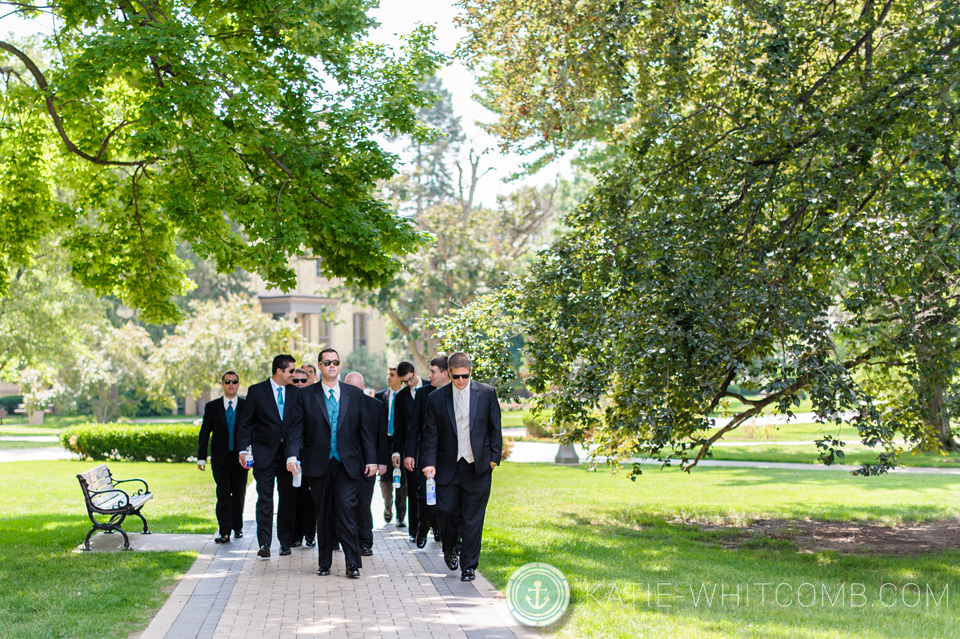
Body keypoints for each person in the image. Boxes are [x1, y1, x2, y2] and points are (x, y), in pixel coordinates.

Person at [285, 349, 378, 578]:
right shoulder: (306, 395)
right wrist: (292, 456)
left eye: (335, 362)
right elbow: (297, 428)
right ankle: (324, 562)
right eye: (327, 362)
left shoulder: (354, 394)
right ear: (320, 366)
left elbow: (364, 430)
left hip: (347, 463)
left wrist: (372, 459)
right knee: (323, 513)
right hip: (318, 463)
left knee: (346, 509)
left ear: (339, 364)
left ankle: (353, 563)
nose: (332, 366)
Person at [421, 352, 502, 582]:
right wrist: (429, 463)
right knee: (445, 511)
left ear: (471, 372)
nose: (460, 381)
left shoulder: (486, 393)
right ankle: (449, 547)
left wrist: (493, 461)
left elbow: (495, 429)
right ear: (449, 373)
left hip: (478, 468)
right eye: (456, 377)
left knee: (473, 518)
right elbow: (430, 435)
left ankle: (469, 566)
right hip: (448, 467)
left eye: (464, 376)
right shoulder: (437, 398)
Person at [236, 354, 300, 558]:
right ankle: (264, 543)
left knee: (287, 499)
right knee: (265, 499)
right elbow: (245, 424)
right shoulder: (256, 391)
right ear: (279, 371)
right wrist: (243, 450)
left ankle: (285, 542)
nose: (294, 375)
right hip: (264, 454)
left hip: (289, 456)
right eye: (291, 371)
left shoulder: (296, 393)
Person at [403, 356, 449, 548]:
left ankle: (438, 528)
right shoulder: (423, 394)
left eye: (432, 371)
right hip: (425, 452)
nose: (428, 375)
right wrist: (409, 453)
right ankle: (423, 529)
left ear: (445, 373)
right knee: (424, 494)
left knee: (444, 494)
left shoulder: (455, 392)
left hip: (447, 455)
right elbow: (414, 426)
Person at [197, 371, 248, 543]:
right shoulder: (212, 407)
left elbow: (252, 431)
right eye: (227, 382)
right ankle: (224, 531)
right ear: (222, 384)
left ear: (238, 384)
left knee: (239, 494)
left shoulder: (246, 405)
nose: (231, 384)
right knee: (223, 494)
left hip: (240, 459)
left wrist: (251, 452)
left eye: (234, 381)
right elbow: (204, 434)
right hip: (220, 460)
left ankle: (238, 527)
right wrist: (201, 458)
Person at [344, 372, 388, 556]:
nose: (354, 391)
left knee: (363, 503)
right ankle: (344, 539)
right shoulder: (340, 404)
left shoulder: (376, 406)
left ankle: (365, 542)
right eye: (350, 387)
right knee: (345, 503)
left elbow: (382, 436)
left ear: (363, 387)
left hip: (367, 463)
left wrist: (382, 462)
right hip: (344, 462)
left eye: (357, 387)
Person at [390, 360, 423, 538]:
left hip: (429, 447)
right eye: (404, 381)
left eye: (410, 379)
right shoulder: (401, 397)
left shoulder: (431, 389)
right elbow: (398, 426)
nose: (408, 383)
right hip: (410, 450)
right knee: (412, 489)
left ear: (415, 372)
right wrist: (396, 451)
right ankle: (414, 530)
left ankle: (435, 527)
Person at [374, 367, 404, 525]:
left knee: (401, 479)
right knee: (385, 478)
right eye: (387, 374)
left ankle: (401, 515)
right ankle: (387, 505)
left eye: (392, 375)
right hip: (384, 441)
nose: (388, 377)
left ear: (400, 378)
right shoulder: (380, 397)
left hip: (401, 442)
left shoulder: (406, 396)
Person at [290, 369, 316, 548]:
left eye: (303, 381)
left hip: (310, 457)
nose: (299, 384)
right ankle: (295, 535)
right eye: (296, 381)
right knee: (293, 498)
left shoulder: (313, 401)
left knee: (309, 498)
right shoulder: (286, 403)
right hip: (292, 458)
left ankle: (310, 534)